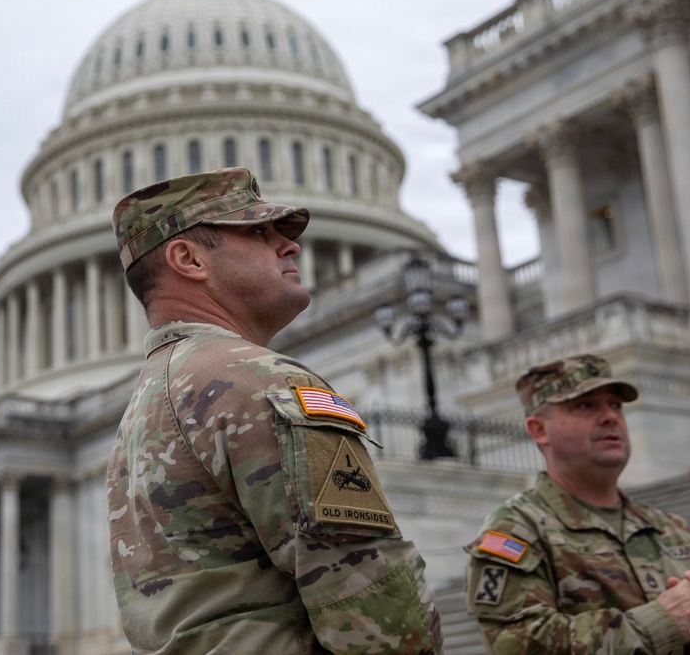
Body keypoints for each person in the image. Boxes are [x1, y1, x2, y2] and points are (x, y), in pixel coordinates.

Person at [106, 167, 442, 655]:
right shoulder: (261, 382)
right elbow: (372, 602)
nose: (290, 246)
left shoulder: (148, 400)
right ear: (189, 259)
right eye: (259, 232)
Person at [465, 353, 690, 654]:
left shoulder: (672, 530)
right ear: (539, 429)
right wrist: (661, 622)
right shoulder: (516, 529)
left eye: (616, 405)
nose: (610, 417)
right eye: (586, 406)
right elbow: (516, 643)